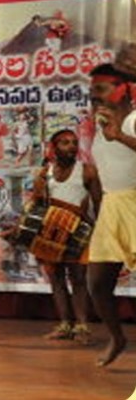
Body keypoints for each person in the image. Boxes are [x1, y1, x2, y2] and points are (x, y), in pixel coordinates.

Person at [85, 42, 136, 367]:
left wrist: (120, 136)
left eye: (102, 89)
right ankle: (117, 337)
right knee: (97, 283)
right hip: (112, 209)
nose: (96, 96)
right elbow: (101, 175)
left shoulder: (132, 121)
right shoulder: (101, 128)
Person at [31, 129, 101, 344]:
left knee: (79, 279)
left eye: (74, 142)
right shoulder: (45, 173)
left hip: (79, 232)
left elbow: (99, 205)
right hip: (51, 233)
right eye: (64, 143)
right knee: (57, 279)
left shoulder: (87, 171)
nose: (71, 146)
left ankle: (82, 326)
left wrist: (97, 229)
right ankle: (64, 324)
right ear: (54, 147)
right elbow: (37, 205)